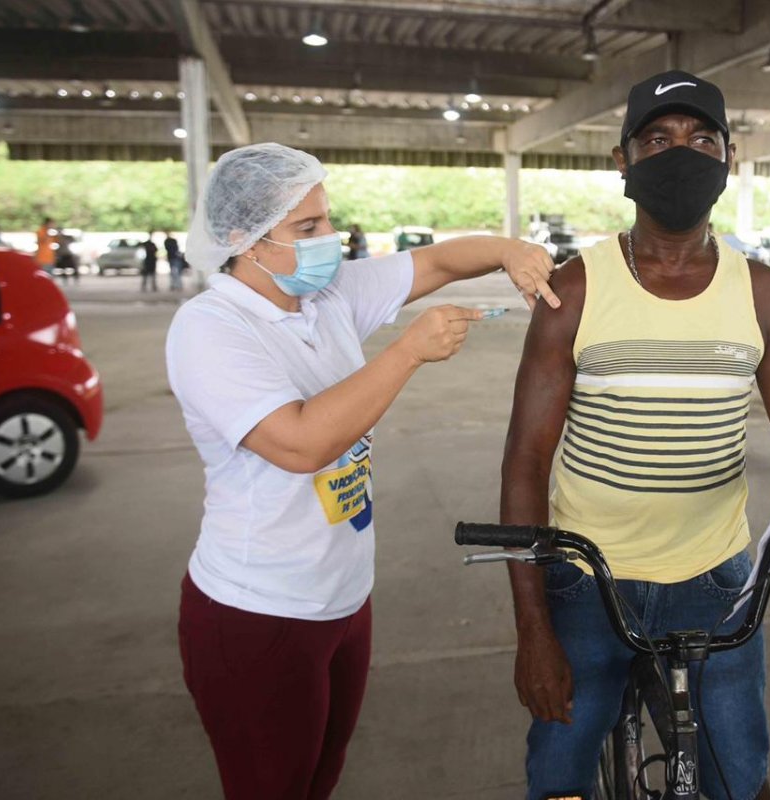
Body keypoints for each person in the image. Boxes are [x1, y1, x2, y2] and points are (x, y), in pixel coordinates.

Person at [166, 142, 558, 800]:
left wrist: (506, 251)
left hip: (342, 598)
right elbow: (297, 444)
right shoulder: (210, 329)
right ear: (244, 239)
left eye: (327, 219)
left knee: (318, 776)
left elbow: (435, 261)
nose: (330, 239)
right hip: (259, 608)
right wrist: (407, 351)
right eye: (307, 228)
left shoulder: (324, 294)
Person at [499, 70, 770, 800]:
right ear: (622, 161)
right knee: (559, 777)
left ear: (727, 157)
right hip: (588, 579)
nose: (679, 154)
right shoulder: (577, 290)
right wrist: (533, 627)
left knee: (740, 779)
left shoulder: (758, 290)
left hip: (714, 579)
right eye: (657, 139)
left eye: (700, 139)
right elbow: (527, 460)